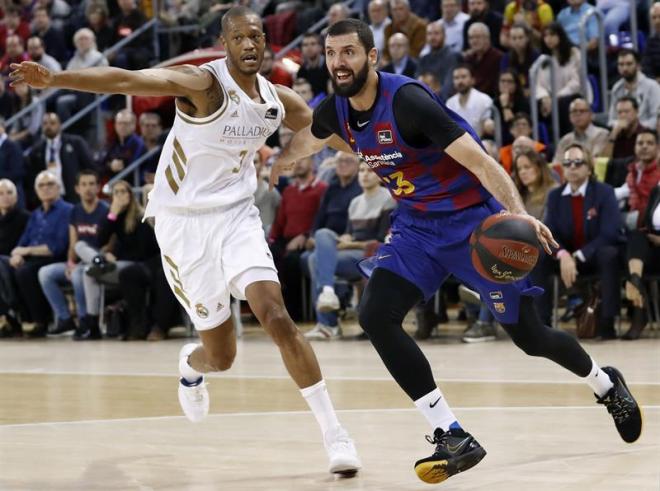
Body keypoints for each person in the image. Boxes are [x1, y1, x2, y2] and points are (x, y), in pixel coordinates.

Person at [270, 19, 642, 485]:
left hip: (473, 226)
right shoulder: (336, 108)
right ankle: (451, 433)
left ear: (373, 58)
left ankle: (606, 385)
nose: (338, 62)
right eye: (330, 53)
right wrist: (281, 159)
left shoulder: (409, 103)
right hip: (415, 231)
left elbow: (482, 161)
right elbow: (312, 134)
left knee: (530, 337)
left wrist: (518, 213)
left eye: (348, 52)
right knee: (375, 315)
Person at [10, 6, 361, 475]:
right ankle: (192, 367)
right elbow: (125, 80)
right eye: (240, 38)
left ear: (266, 43)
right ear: (225, 43)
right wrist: (56, 80)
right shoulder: (203, 84)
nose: (250, 45)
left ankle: (334, 433)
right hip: (182, 226)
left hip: (237, 217)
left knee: (275, 314)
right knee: (222, 355)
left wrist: (393, 153)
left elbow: (332, 133)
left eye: (257, 36)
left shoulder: (277, 100)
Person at [535, 144, 623, 339]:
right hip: (567, 257)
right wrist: (563, 254)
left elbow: (610, 232)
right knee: (540, 256)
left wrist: (578, 255)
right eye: (567, 163)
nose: (572, 167)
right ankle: (542, 324)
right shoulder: (555, 196)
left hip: (593, 254)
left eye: (578, 162)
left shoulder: (604, 192)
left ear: (589, 168)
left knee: (609, 254)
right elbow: (549, 233)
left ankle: (607, 324)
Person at [37, 170, 108, 337]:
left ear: (98, 187)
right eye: (84, 184)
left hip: (97, 260)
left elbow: (109, 245)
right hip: (78, 260)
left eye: (92, 184)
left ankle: (85, 321)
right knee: (45, 273)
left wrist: (79, 265)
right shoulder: (75, 211)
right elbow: (73, 243)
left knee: (78, 274)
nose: (88, 188)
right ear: (77, 189)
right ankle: (65, 318)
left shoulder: (105, 210)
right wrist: (70, 263)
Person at [10, 171, 72, 337]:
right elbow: (23, 241)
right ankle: (17, 319)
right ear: (36, 191)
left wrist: (27, 251)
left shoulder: (67, 211)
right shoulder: (36, 214)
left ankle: (39, 321)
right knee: (7, 266)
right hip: (33, 258)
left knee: (25, 272)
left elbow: (57, 247)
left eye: (50, 184)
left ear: (59, 188)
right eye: (41, 186)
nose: (46, 189)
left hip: (55, 259)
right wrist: (17, 254)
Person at [0, 179, 29, 337]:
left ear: (16, 197)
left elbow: (27, 242)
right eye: (1, 193)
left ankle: (7, 311)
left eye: (9, 193)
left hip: (16, 260)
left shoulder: (25, 217)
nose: (5, 197)